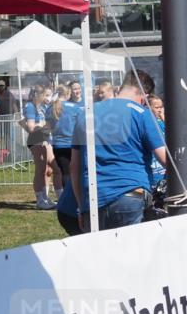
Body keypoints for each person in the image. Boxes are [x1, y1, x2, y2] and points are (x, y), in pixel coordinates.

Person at [71, 69, 167, 230]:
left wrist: (81, 207)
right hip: (130, 194)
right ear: (144, 98)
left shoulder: (85, 114)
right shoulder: (142, 114)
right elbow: (165, 159)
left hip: (94, 199)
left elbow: (74, 167)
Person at [23, 86, 60, 209]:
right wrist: (44, 124)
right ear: (37, 95)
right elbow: (31, 127)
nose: (47, 98)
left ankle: (45, 197)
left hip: (44, 139)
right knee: (41, 170)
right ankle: (40, 200)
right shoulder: (30, 106)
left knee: (49, 169)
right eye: (45, 95)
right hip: (36, 140)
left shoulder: (42, 107)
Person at [48, 84, 80, 179]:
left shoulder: (50, 108)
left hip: (58, 145)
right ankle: (75, 193)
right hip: (73, 145)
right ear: (68, 94)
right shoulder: (75, 107)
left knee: (65, 173)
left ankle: (66, 192)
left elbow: (48, 127)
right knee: (76, 172)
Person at [147, 94, 166, 189]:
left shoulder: (162, 122)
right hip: (153, 166)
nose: (159, 110)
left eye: (161, 107)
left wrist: (164, 120)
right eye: (156, 107)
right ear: (149, 107)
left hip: (163, 169)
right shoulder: (147, 122)